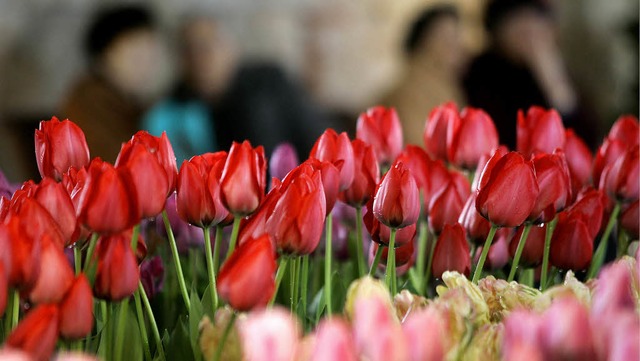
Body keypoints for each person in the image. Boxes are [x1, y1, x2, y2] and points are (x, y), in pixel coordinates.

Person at [144, 16, 328, 161]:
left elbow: (316, 140)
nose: (200, 58)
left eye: (209, 46)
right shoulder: (169, 114)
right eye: (189, 50)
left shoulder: (269, 84)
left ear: (232, 48)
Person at [463, 0, 597, 149]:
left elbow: (585, 140)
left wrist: (553, 81)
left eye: (534, 23)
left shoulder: (554, 67)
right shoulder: (480, 73)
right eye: (518, 25)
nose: (529, 35)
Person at [60, 5, 162, 162]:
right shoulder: (89, 101)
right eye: (136, 55)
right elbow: (119, 164)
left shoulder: (131, 102)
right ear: (105, 55)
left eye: (150, 53)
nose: (146, 64)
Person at [382, 5, 466, 146]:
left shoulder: (447, 85)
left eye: (456, 37)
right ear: (422, 43)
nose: (457, 46)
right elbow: (419, 150)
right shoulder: (409, 92)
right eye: (445, 37)